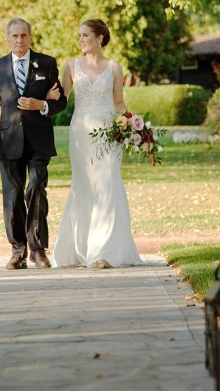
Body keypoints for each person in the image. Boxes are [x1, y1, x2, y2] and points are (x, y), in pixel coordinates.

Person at [0, 18, 68, 270]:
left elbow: (61, 101)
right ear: (8, 39)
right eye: (14, 36)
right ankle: (17, 251)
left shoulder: (47, 63)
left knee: (36, 188)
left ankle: (38, 250)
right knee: (13, 196)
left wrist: (43, 104)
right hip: (9, 141)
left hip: (39, 140)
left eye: (24, 35)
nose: (19, 40)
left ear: (30, 37)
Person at [50, 20, 144, 268]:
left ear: (99, 38)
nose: (81, 40)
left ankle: (105, 252)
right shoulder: (71, 66)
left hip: (109, 133)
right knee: (83, 185)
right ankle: (80, 249)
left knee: (108, 184)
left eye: (86, 35)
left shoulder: (115, 68)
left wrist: (135, 125)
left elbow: (119, 103)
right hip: (80, 133)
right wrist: (44, 99)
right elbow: (62, 98)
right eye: (79, 36)